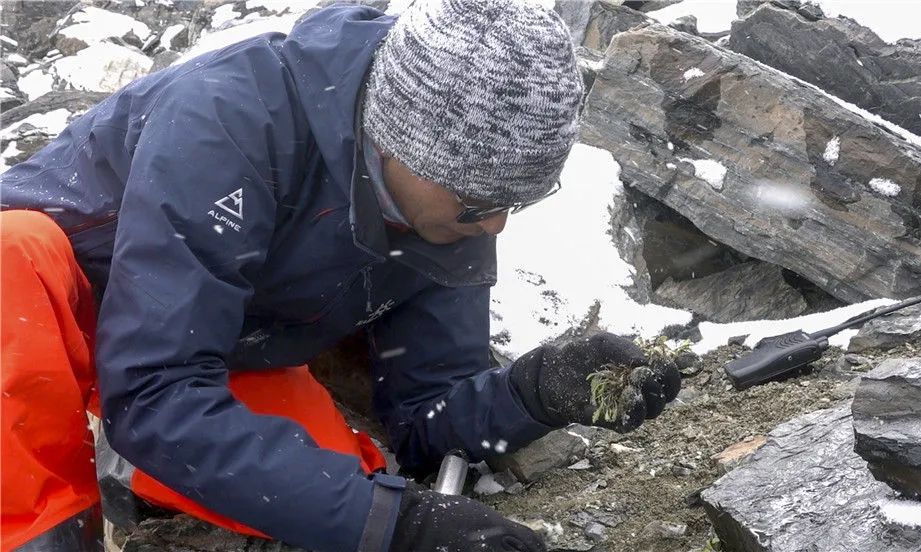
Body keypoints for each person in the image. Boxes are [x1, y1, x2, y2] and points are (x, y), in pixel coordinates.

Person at [0, 0, 680, 551]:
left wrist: (537, 393)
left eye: (514, 204)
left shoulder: (445, 213)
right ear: (400, 142)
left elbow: (423, 418)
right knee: (13, 254)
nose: (495, 226)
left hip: (211, 339)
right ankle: (42, 532)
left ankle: (135, 473)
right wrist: (400, 531)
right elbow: (153, 391)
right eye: (478, 201)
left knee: (346, 483)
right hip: (64, 308)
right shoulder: (230, 121)